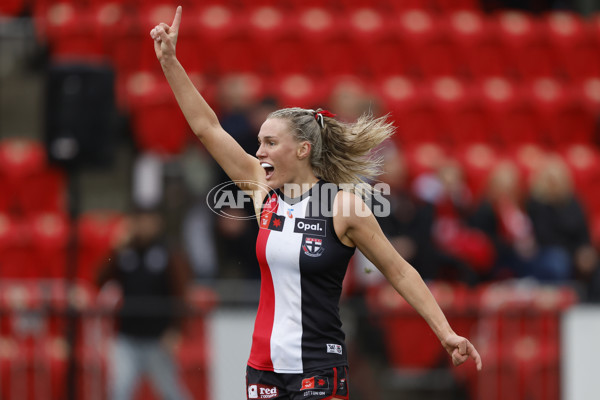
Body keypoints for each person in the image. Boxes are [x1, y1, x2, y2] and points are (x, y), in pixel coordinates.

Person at [150, 7, 482, 399]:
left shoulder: (344, 207)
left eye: (270, 143)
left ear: (303, 150)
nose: (258, 153)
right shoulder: (263, 192)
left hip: (319, 369)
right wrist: (170, 62)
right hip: (263, 369)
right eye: (259, 142)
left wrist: (445, 332)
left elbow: (400, 271)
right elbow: (208, 128)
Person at [96, 207, 192, 400]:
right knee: (119, 390)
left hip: (157, 338)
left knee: (171, 391)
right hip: (127, 338)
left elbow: (181, 293)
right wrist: (115, 250)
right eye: (139, 220)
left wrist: (175, 329)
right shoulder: (124, 252)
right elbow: (100, 279)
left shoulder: (168, 254)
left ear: (158, 223)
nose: (144, 225)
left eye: (149, 220)